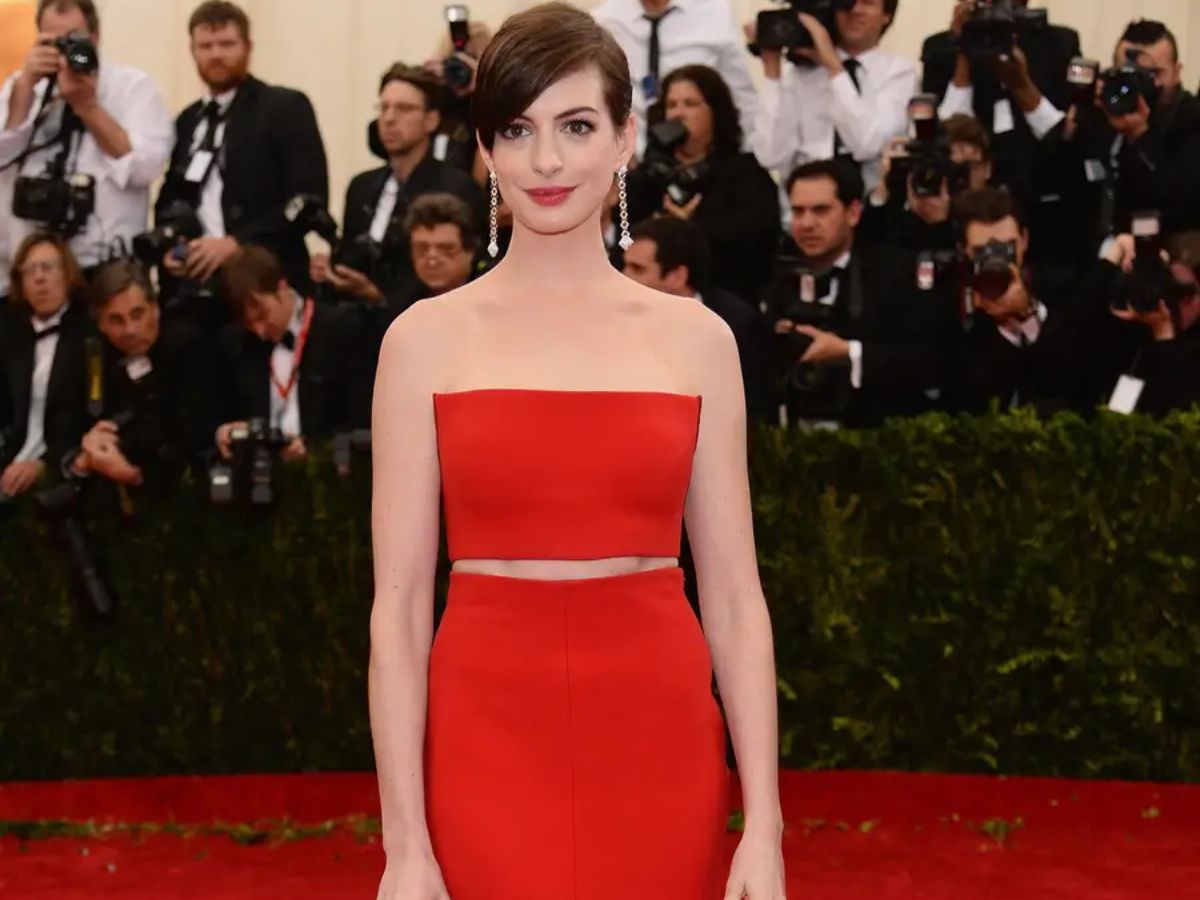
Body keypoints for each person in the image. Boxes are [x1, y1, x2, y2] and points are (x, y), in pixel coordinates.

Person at [368, 4, 784, 900]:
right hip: (483, 728)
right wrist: (405, 846)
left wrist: (768, 829)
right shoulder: (420, 341)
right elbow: (398, 615)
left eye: (577, 126)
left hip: (657, 728)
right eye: (516, 130)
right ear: (484, 150)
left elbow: (737, 600)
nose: (547, 162)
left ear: (626, 139)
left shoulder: (698, 340)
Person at [155, 0, 328, 314]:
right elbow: (171, 198)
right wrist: (172, 248)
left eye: (227, 44)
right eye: (205, 45)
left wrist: (236, 243)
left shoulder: (284, 107)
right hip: (195, 290)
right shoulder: (188, 120)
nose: (216, 54)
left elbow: (309, 199)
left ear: (248, 47)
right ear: (192, 51)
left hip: (266, 284)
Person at [0, 0, 173, 297]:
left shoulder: (133, 88)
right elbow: (4, 157)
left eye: (73, 39)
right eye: (52, 41)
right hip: (36, 272)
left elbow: (146, 168)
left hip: (107, 269)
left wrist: (88, 107)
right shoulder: (24, 87)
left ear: (95, 37)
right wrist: (26, 85)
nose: (64, 51)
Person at [765, 159, 945, 429]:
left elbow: (927, 361)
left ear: (853, 213)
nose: (807, 223)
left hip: (880, 436)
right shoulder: (781, 275)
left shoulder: (896, 272)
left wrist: (849, 353)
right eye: (798, 212)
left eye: (821, 210)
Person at [311, 64, 483, 310]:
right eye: (383, 108)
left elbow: (454, 275)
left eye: (403, 109)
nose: (389, 118)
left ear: (431, 120)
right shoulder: (361, 186)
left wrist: (377, 295)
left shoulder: (455, 188)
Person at [623, 64, 780, 305]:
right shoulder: (651, 173)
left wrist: (689, 229)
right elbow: (622, 230)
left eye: (690, 104)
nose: (678, 114)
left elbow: (755, 244)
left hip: (725, 299)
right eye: (672, 105)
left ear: (715, 112)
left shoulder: (745, 173)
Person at [947, 186, 1098, 416]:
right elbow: (968, 397)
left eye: (1007, 247)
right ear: (964, 250)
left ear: (1025, 240)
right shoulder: (953, 302)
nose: (996, 259)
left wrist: (1028, 314)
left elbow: (1077, 378)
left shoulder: (1061, 286)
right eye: (982, 251)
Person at [212, 245, 371, 463]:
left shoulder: (340, 329)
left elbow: (358, 420)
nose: (260, 331)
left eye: (263, 315)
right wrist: (231, 430)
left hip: (326, 472)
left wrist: (313, 449)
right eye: (249, 324)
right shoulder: (238, 344)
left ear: (282, 287)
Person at [67, 259, 217, 487]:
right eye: (116, 320)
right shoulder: (93, 356)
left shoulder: (188, 346)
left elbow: (194, 438)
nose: (131, 330)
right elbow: (69, 428)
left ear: (155, 309)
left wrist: (134, 475)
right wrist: (83, 457)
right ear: (100, 324)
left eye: (137, 314)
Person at [752, 0, 917, 193]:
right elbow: (770, 156)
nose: (855, 10)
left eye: (867, 3)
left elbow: (867, 144)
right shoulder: (800, 74)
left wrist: (833, 67)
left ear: (886, 15)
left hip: (872, 209)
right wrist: (772, 70)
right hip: (805, 210)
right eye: (846, 3)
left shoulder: (898, 72)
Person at [622, 215, 775, 423]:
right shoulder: (619, 321)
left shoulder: (735, 324)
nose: (623, 276)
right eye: (626, 266)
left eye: (637, 269)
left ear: (677, 276)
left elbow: (754, 409)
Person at [592, 0, 759, 155]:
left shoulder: (714, 12)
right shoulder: (605, 21)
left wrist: (748, 164)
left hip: (705, 165)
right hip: (634, 166)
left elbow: (742, 99)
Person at [0, 233, 92, 499]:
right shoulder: (9, 334)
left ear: (67, 274)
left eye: (48, 268)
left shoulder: (88, 335)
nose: (39, 278)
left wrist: (44, 463)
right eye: (30, 271)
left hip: (59, 464)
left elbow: (87, 418)